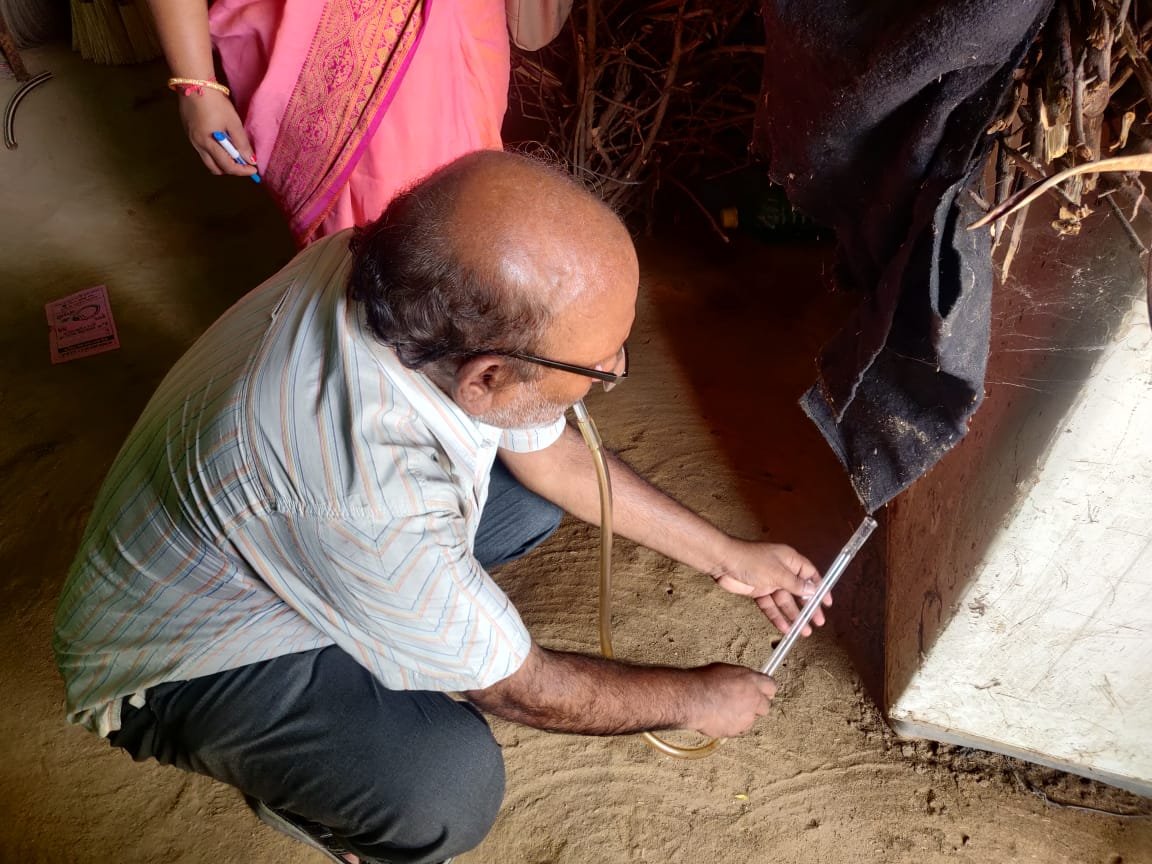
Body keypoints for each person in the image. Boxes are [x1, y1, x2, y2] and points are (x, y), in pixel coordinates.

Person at [54, 151, 828, 864]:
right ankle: (332, 812)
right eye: (602, 366)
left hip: (283, 538)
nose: (614, 372)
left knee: (525, 499)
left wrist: (732, 556)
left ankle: (374, 638)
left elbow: (550, 452)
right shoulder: (368, 497)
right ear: (485, 376)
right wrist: (695, 699)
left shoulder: (396, 270)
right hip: (181, 662)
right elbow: (520, 689)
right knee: (447, 787)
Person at [147, 0, 571, 246]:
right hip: (325, 48)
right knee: (382, 235)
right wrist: (196, 84)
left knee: (471, 205)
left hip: (459, 19)